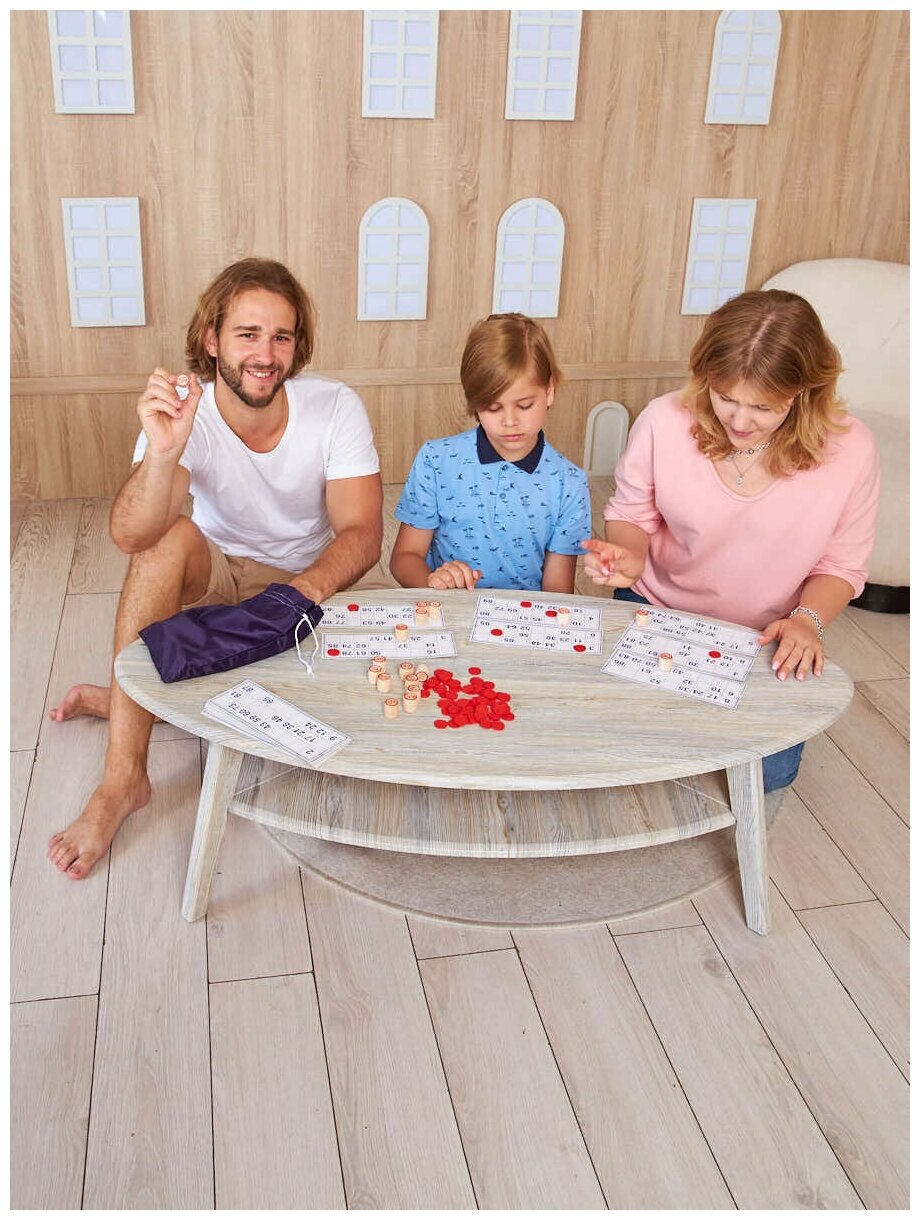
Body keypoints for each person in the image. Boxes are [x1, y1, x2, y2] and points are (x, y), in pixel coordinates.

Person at [47, 258, 383, 878]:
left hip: (307, 586)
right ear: (212, 340)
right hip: (220, 577)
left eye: (281, 337)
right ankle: (123, 779)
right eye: (247, 334)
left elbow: (362, 533)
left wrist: (299, 593)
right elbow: (130, 535)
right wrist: (162, 452)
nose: (265, 355)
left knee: (362, 712)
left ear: (297, 346)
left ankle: (134, 698)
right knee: (164, 543)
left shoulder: (335, 406)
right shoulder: (187, 411)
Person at [583, 289, 880, 791]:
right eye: (725, 398)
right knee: (622, 743)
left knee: (769, 775)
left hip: (766, 632)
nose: (739, 422)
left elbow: (842, 565)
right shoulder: (663, 420)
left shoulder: (853, 450)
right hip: (658, 607)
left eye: (763, 407)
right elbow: (631, 514)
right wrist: (628, 555)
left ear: (803, 390)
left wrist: (807, 621)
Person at [389, 313, 590, 594]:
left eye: (524, 405)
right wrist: (433, 580)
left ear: (550, 390)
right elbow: (404, 558)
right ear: (474, 402)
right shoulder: (436, 460)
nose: (510, 421)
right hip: (448, 608)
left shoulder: (569, 483)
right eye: (493, 408)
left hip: (524, 616)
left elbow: (557, 591)